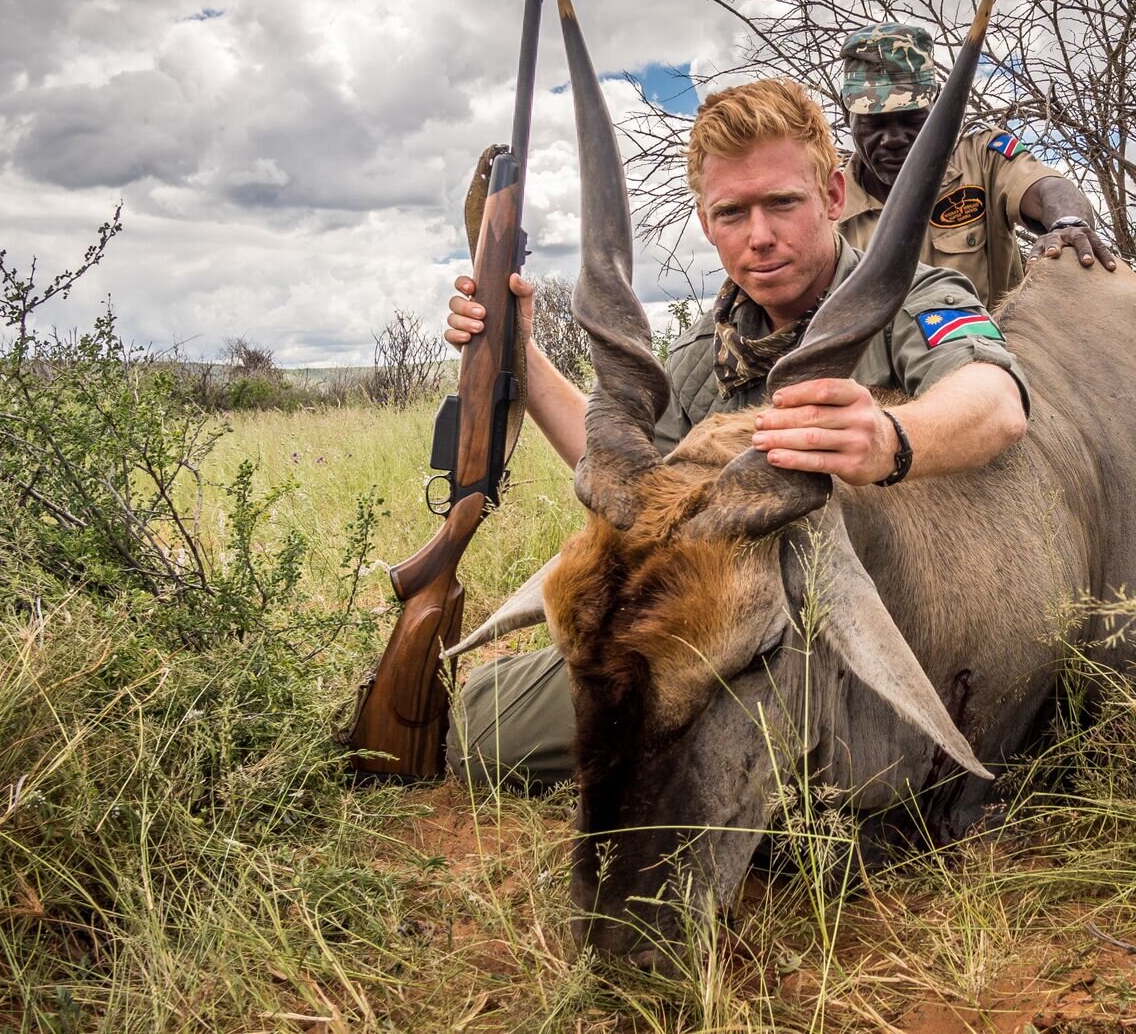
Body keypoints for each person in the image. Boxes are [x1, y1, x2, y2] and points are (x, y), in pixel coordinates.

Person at [438, 78, 1029, 789]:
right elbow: (635, 485)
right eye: (732, 212)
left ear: (834, 196)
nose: (760, 235)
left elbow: (996, 399)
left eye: (782, 202)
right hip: (719, 642)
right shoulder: (698, 358)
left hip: (893, 627)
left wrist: (891, 439)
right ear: (706, 219)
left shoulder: (915, 297)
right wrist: (519, 356)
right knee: (480, 721)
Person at [836, 23, 1116, 310]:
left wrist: (1067, 224)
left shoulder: (982, 160)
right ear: (848, 115)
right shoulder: (827, 207)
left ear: (937, 105)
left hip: (992, 351)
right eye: (875, 123)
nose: (894, 139)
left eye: (911, 120)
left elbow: (1048, 188)